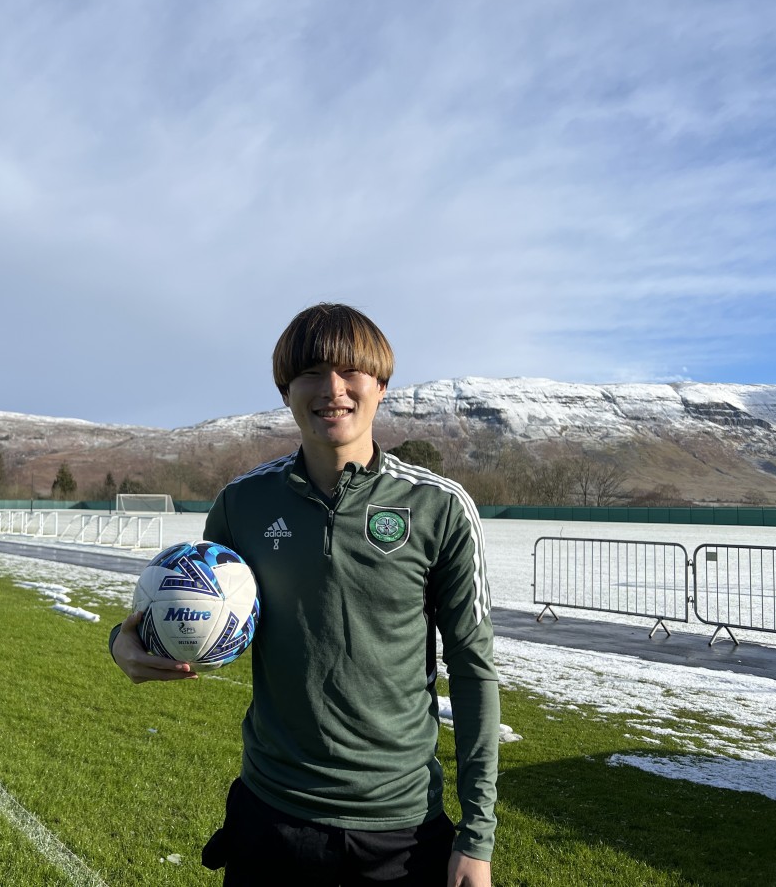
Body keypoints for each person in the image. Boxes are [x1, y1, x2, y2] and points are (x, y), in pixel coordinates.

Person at [111, 303, 499, 886]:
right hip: (271, 815)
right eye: (311, 374)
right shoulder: (242, 504)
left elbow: (472, 670)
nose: (332, 390)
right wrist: (124, 643)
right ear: (286, 390)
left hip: (400, 828)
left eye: (350, 373)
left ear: (382, 386)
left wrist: (477, 836)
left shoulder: (438, 507)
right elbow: (185, 605)